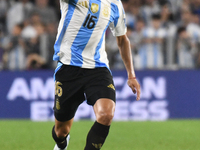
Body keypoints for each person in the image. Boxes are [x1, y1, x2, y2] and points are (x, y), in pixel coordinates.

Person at [52, 0, 141, 150]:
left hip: (97, 68)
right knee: (61, 131)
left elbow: (122, 39)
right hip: (68, 68)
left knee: (106, 114)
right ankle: (61, 144)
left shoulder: (115, 4)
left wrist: (131, 75)